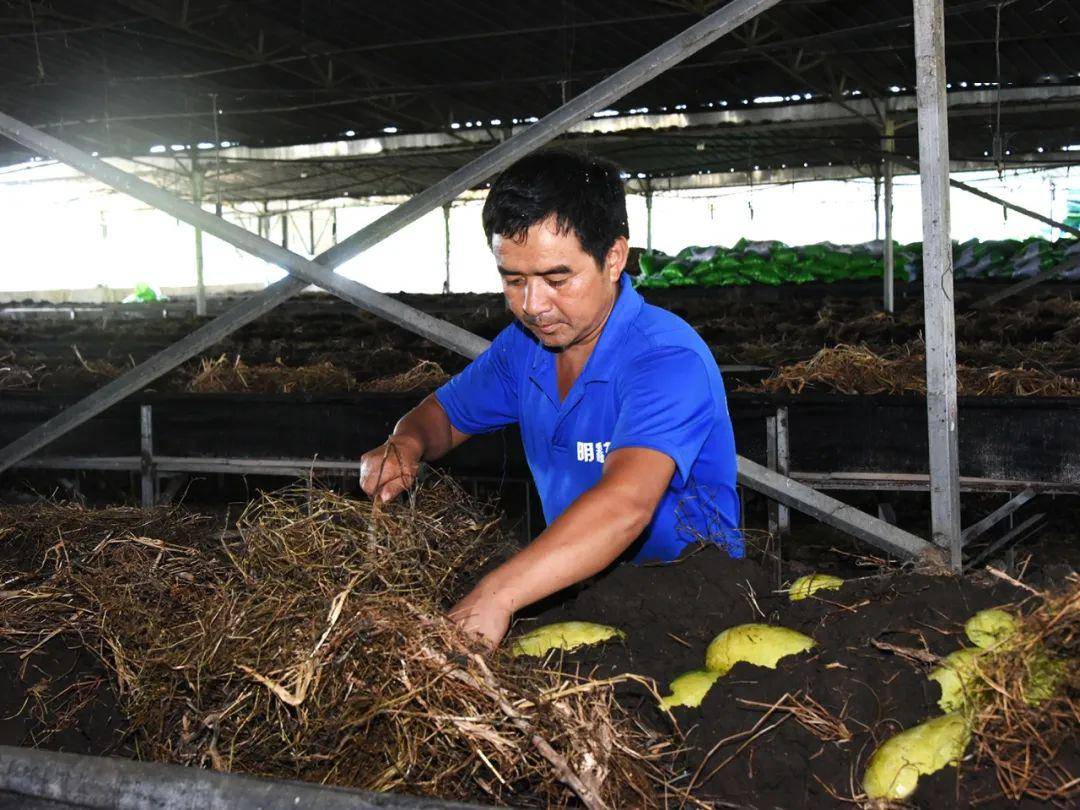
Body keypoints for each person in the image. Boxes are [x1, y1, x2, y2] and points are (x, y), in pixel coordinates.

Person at [359, 151, 740, 648]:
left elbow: (626, 504)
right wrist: (405, 443)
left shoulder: (664, 359)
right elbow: (444, 417)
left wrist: (496, 594)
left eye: (557, 279)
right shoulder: (524, 350)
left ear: (614, 259)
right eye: (513, 280)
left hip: (693, 610)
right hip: (576, 590)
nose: (532, 306)